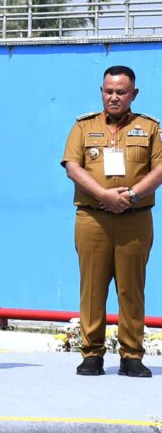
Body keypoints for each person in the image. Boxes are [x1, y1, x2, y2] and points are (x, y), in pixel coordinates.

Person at [61, 65, 162, 378]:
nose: (114, 97)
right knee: (91, 288)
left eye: (121, 92)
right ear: (101, 91)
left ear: (134, 93)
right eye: (109, 91)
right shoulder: (83, 126)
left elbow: (159, 169)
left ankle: (131, 355)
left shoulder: (150, 128)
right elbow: (72, 167)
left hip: (134, 218)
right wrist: (104, 195)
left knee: (131, 288)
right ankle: (92, 354)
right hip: (93, 218)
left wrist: (129, 195)